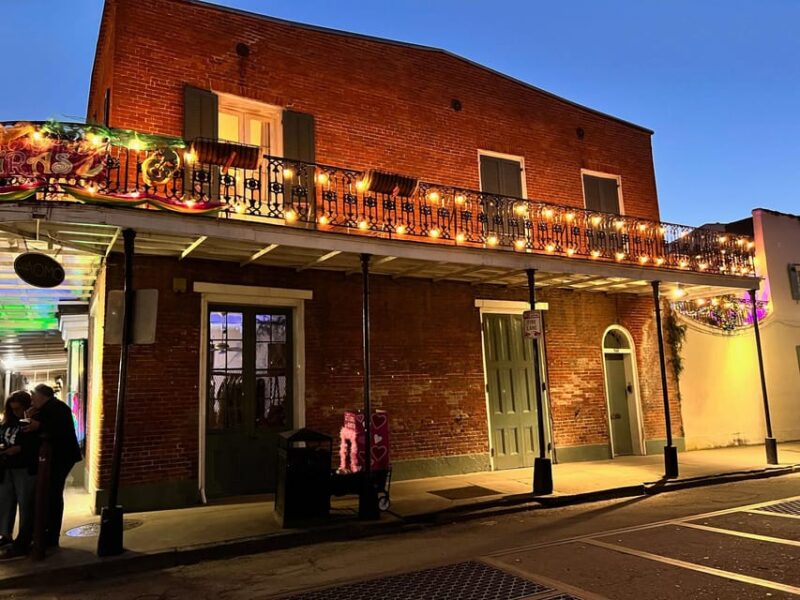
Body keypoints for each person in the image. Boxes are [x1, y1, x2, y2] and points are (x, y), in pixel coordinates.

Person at [22, 384, 82, 549]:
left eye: (34, 396)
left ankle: (51, 535)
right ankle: (47, 533)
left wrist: (38, 425)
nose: (32, 400)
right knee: (50, 494)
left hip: (60, 457)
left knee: (52, 494)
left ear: (42, 395)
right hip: (56, 457)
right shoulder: (48, 408)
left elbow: (57, 430)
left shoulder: (57, 408)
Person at [0, 390, 39, 558]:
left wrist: (20, 449)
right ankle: (5, 534)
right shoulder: (7, 423)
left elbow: (36, 444)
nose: (15, 411)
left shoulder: (29, 422)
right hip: (6, 466)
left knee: (25, 503)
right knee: (5, 501)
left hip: (24, 467)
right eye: (12, 408)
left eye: (18, 408)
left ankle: (24, 539)